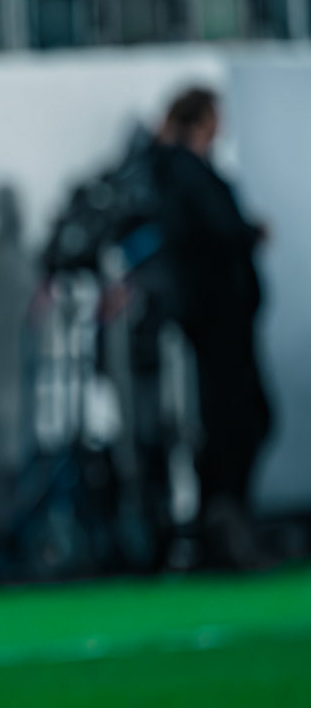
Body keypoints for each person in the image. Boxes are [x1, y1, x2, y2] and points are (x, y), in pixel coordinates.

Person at [152, 86, 272, 571]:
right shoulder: (185, 171)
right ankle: (223, 528)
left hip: (222, 315)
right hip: (217, 316)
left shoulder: (185, 170)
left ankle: (222, 524)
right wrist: (249, 233)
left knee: (240, 420)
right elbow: (218, 231)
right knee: (235, 421)